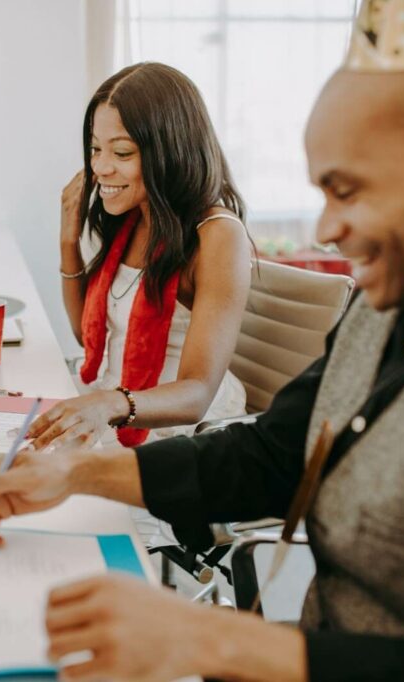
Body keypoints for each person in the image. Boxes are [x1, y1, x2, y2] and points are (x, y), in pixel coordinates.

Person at [0, 1, 404, 680]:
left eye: (348, 190)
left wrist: (206, 638)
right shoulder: (398, 293)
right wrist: (73, 473)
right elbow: (274, 455)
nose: (327, 229)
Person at [26, 62, 251, 452]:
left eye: (122, 151)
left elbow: (197, 393)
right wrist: (68, 239)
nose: (100, 167)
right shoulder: (133, 218)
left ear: (171, 149)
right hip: (115, 404)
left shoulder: (218, 234)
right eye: (96, 148)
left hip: (178, 430)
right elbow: (88, 333)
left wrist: (108, 404)